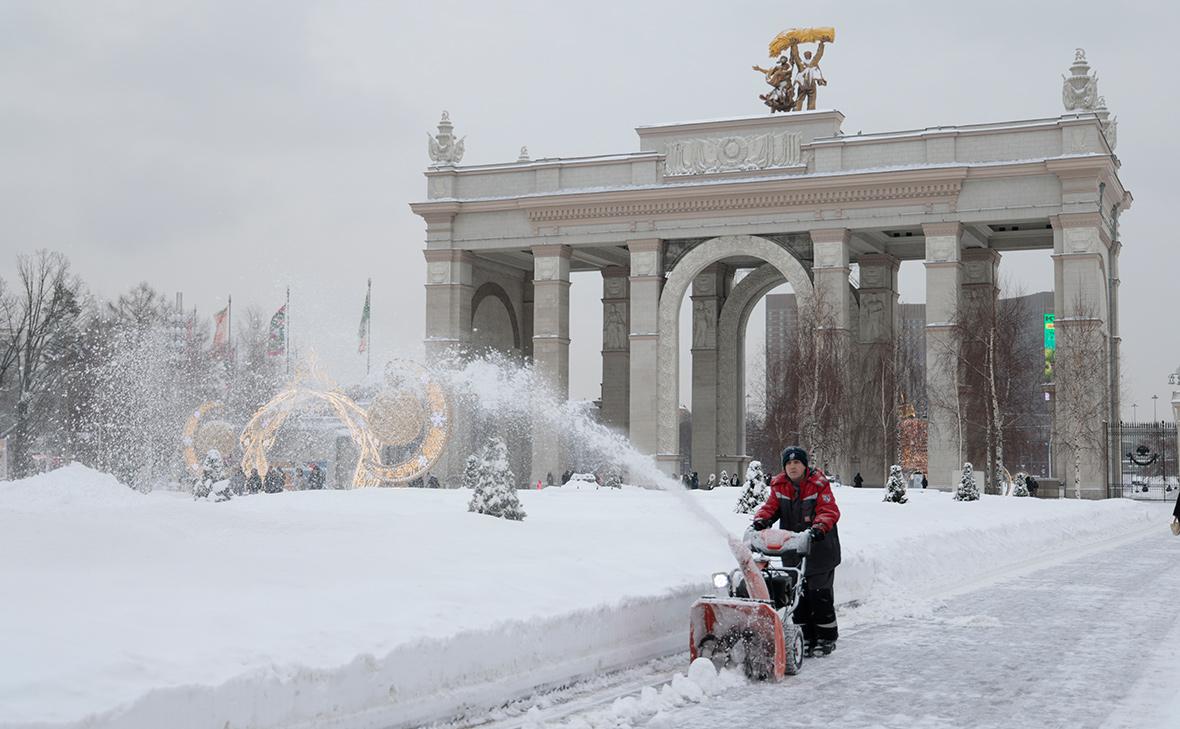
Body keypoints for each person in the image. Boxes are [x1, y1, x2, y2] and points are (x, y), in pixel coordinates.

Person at [752, 445, 842, 657]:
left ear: (804, 465)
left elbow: (829, 510)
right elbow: (771, 507)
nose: (793, 467)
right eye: (789, 463)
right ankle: (806, 636)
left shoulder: (819, 484)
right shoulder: (779, 485)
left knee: (819, 594)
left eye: (797, 463)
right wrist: (762, 520)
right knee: (797, 594)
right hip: (792, 548)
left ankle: (826, 637)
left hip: (821, 549)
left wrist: (818, 528)